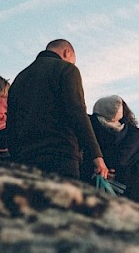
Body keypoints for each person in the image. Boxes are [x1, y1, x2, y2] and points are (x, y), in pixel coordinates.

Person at [6, 39, 108, 180]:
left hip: (27, 159)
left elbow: (11, 124)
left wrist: (17, 156)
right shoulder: (67, 69)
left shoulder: (20, 78)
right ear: (67, 52)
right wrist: (96, 156)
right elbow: (77, 112)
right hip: (60, 155)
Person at [89, 95, 139, 213]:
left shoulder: (91, 132)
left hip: (98, 195)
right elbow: (122, 159)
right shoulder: (136, 136)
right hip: (135, 198)